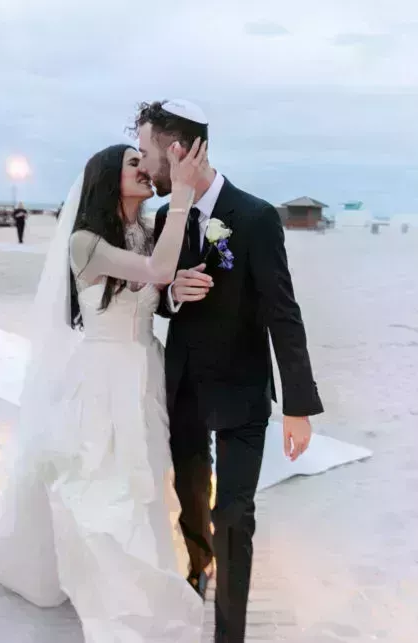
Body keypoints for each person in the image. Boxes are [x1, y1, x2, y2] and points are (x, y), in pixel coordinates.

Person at [0, 140, 209, 642]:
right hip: (103, 371)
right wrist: (182, 200)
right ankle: (108, 583)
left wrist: (180, 287)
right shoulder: (85, 241)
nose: (145, 169)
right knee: (101, 476)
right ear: (108, 177)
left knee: (144, 469)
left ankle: (146, 565)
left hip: (145, 365)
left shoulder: (147, 231)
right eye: (133, 163)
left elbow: (160, 286)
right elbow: (155, 271)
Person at [136, 100, 323, 642]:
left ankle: (228, 633)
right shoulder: (162, 219)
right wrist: (172, 293)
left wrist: (298, 405)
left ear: (177, 151)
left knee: (234, 516)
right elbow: (155, 294)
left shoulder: (257, 217)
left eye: (149, 154)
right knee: (191, 498)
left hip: (242, 393)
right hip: (185, 388)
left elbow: (283, 313)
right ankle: (197, 570)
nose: (146, 168)